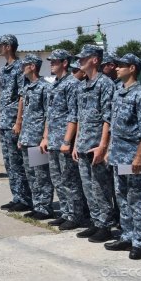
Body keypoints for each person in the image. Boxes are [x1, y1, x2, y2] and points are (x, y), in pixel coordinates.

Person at [104, 53, 141, 260]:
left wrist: (139, 156)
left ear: (132, 68)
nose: (117, 68)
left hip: (134, 157)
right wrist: (109, 150)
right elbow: (115, 126)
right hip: (118, 156)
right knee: (122, 198)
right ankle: (126, 236)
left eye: (122, 66)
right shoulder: (118, 92)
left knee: (136, 199)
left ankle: (140, 242)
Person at [73, 44, 116, 243]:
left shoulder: (105, 84)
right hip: (83, 144)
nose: (80, 60)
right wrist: (75, 144)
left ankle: (105, 225)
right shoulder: (82, 86)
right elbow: (80, 117)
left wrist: (103, 146)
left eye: (84, 57)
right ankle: (95, 221)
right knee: (88, 187)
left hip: (97, 145)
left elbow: (108, 118)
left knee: (101, 187)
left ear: (95, 60)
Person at [44, 50, 87, 230]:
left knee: (70, 180)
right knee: (57, 179)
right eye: (51, 61)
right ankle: (65, 212)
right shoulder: (53, 85)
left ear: (64, 63)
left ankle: (76, 215)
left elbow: (73, 115)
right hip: (53, 140)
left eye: (54, 61)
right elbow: (49, 114)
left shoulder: (72, 84)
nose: (51, 64)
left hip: (63, 141)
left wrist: (68, 141)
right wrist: (45, 137)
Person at [0, 34, 32, 212]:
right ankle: (17, 195)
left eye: (1, 45)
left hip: (12, 121)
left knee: (17, 161)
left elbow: (22, 96)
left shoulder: (19, 68)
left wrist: (19, 121)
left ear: (9, 46)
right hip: (3, 121)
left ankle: (25, 198)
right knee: (9, 162)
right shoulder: (5, 69)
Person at [19, 54, 54, 219]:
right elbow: (25, 114)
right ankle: (37, 204)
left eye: (25, 64)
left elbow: (48, 114)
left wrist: (45, 137)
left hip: (37, 138)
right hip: (26, 137)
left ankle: (45, 208)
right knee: (31, 174)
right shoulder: (27, 88)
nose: (22, 67)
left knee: (41, 175)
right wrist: (21, 137)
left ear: (33, 66)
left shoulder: (45, 87)